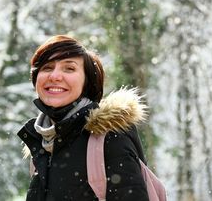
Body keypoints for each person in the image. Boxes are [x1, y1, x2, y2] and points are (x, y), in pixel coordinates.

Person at [17, 35, 149, 201]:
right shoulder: (43, 143)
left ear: (87, 82)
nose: (55, 76)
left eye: (69, 69)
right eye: (47, 68)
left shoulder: (107, 138)